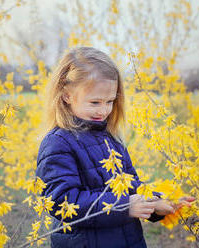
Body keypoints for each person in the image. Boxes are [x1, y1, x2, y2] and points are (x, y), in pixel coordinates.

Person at [36, 47, 181, 248]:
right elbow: (62, 201)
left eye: (110, 101)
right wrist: (125, 207)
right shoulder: (58, 142)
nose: (103, 110)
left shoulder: (111, 138)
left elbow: (131, 186)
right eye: (95, 102)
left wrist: (156, 204)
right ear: (67, 95)